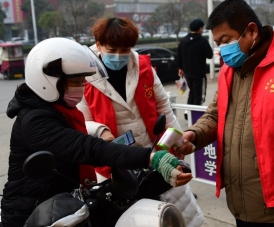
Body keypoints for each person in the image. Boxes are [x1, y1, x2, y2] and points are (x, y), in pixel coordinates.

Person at [0, 38, 191, 227]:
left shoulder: (61, 109)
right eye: (75, 81)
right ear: (47, 81)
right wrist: (151, 157)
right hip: (32, 213)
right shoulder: (35, 120)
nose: (81, 86)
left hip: (65, 204)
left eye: (83, 80)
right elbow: (88, 148)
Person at [176, 0, 274, 226]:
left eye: (226, 40)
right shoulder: (230, 70)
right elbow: (215, 115)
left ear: (251, 31)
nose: (222, 49)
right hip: (241, 204)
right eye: (218, 43)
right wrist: (194, 134)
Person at [76, 17, 204, 227]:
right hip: (115, 162)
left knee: (177, 218)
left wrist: (178, 141)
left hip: (156, 153)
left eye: (125, 49)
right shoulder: (84, 77)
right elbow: (81, 122)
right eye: (112, 49)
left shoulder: (143, 67)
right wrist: (101, 131)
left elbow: (164, 108)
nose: (118, 56)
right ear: (98, 45)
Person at [177, 18, 213, 105]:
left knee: (192, 92)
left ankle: (189, 114)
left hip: (187, 73)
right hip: (199, 73)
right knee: (199, 95)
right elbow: (210, 55)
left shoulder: (183, 41)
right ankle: (196, 116)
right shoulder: (202, 41)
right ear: (200, 28)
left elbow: (178, 56)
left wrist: (180, 68)